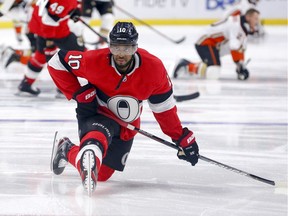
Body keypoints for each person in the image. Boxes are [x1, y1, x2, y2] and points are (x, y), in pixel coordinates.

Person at [47, 21, 199, 194]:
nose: (120, 54)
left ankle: (67, 149)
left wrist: (180, 137)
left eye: (126, 48)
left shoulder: (154, 69)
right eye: (116, 48)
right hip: (96, 112)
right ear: (109, 46)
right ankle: (90, 148)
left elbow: (163, 107)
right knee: (96, 140)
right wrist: (78, 93)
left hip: (127, 125)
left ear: (135, 48)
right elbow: (56, 62)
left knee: (102, 174)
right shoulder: (93, 60)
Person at [17, 0, 85, 96]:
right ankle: (65, 88)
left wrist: (75, 10)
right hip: (51, 30)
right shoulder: (65, 1)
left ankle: (26, 84)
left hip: (41, 26)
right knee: (79, 53)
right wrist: (49, 42)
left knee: (41, 56)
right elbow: (48, 21)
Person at [172, 8, 260, 80]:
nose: (257, 22)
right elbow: (234, 46)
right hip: (204, 41)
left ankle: (191, 67)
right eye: (255, 19)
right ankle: (186, 66)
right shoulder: (236, 26)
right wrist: (240, 66)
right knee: (213, 72)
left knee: (214, 69)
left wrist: (240, 65)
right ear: (248, 17)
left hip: (212, 43)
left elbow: (237, 46)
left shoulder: (239, 23)